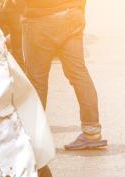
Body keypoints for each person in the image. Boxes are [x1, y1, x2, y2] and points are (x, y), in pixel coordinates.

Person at [21, 0, 107, 150]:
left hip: (40, 20)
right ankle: (91, 132)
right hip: (72, 15)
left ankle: (34, 137)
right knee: (79, 74)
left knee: (37, 81)